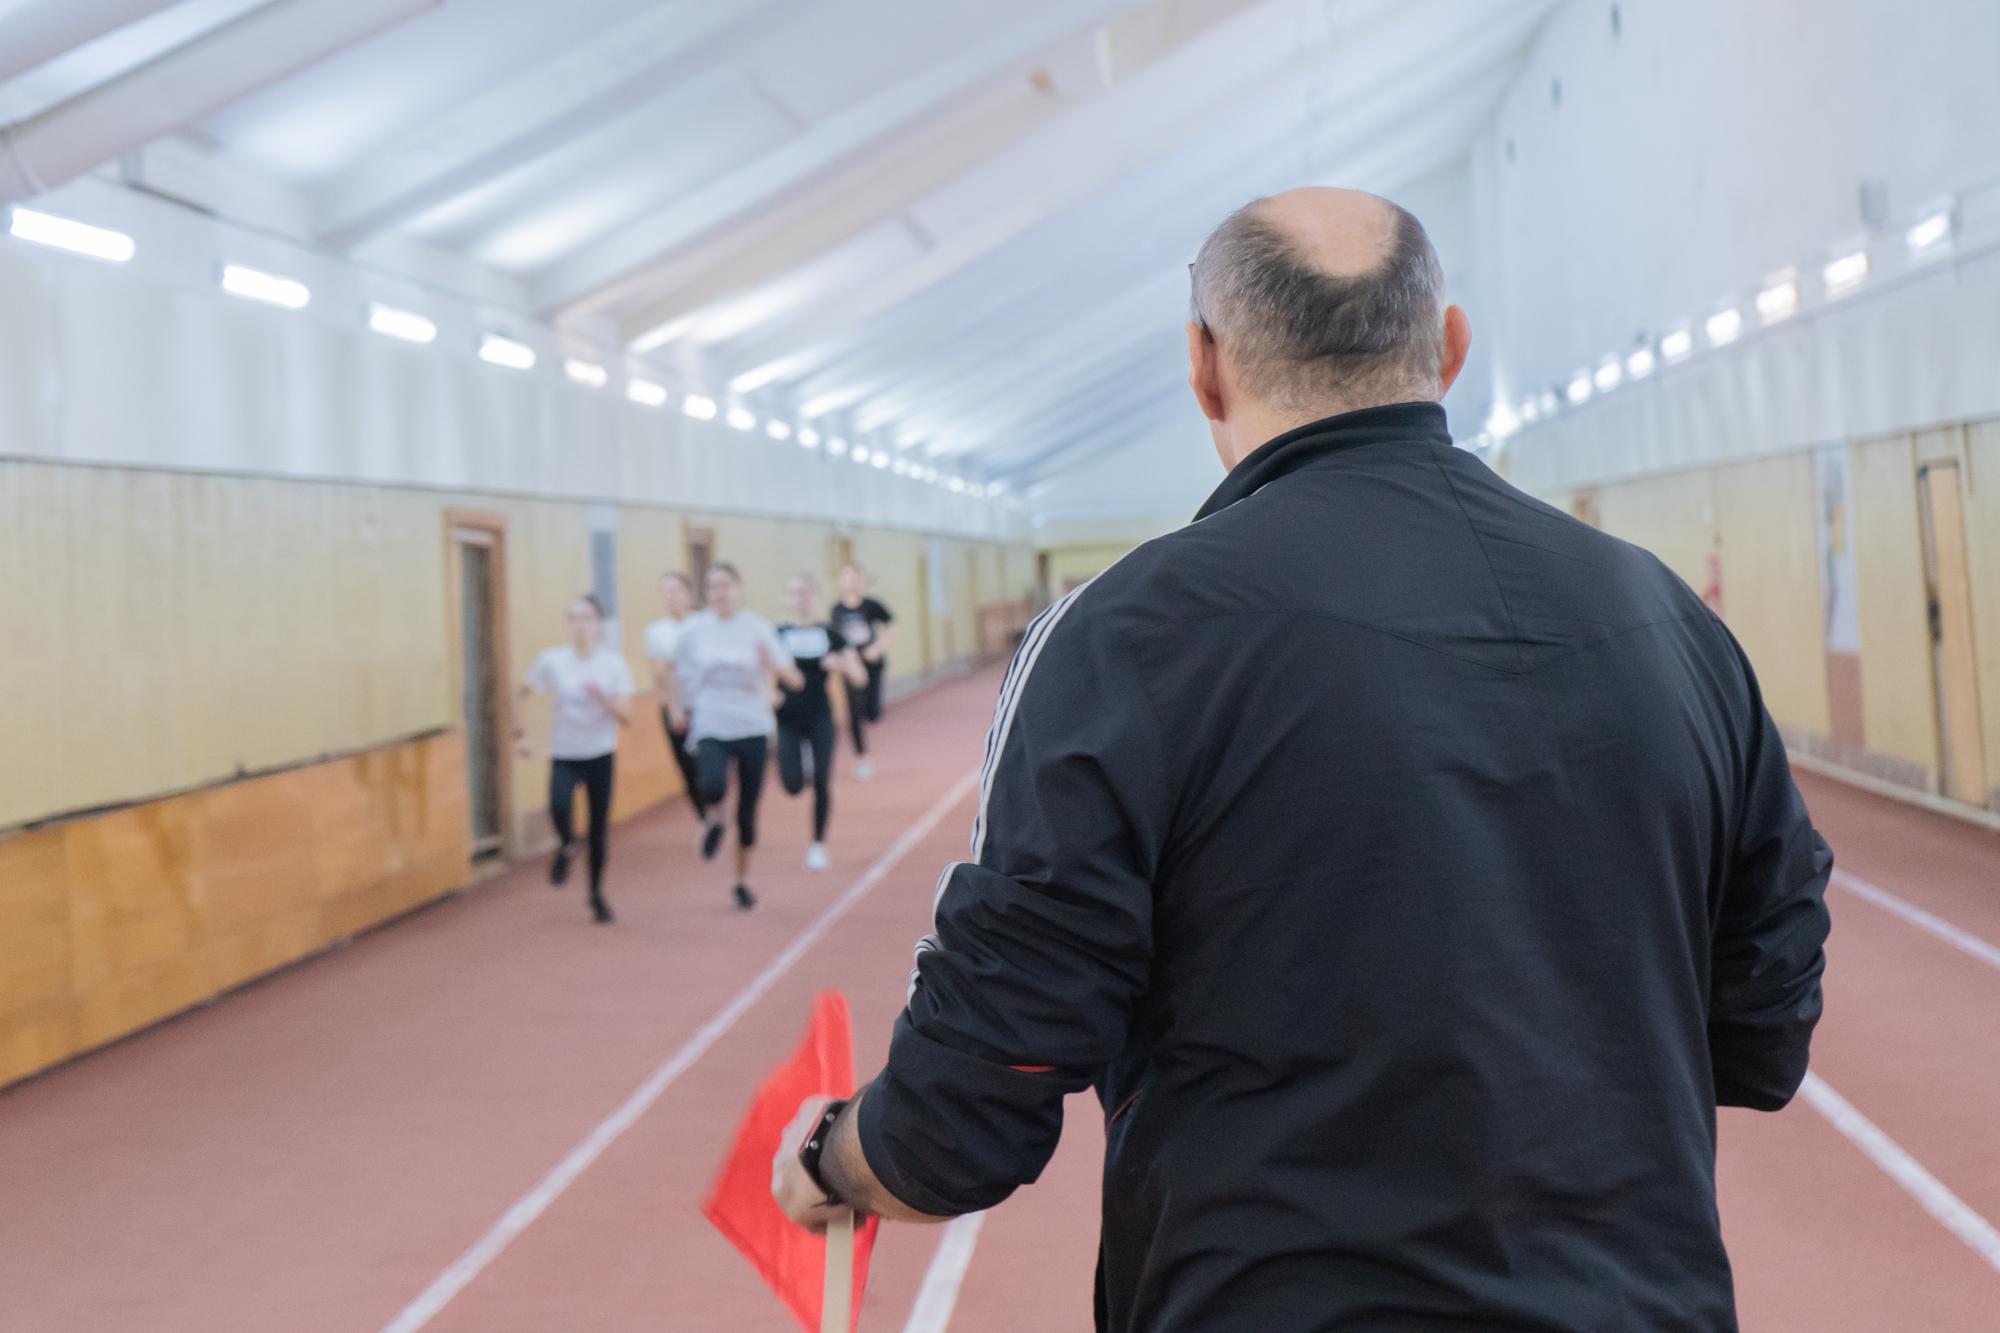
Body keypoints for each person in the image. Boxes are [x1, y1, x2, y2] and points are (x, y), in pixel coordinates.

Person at [774, 188, 1832, 1332]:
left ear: (1202, 367)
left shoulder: (1123, 636)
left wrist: (837, 1153)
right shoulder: (1668, 622)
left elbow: (975, 1095)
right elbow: (1762, 1030)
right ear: (1450, 348)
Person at [663, 563, 801, 911]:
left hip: (752, 725)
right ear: (706, 593)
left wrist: (773, 667)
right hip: (711, 721)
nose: (720, 593)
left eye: (725, 585)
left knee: (747, 812)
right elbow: (670, 671)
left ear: (738, 589)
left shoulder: (757, 627)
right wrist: (675, 708)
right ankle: (713, 818)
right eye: (713, 587)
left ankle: (741, 880)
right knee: (711, 784)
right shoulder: (695, 630)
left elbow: (793, 678)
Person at [515, 594, 633, 924]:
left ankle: (596, 894)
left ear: (598, 625)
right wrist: (519, 735)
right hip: (565, 754)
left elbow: (627, 717)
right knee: (558, 806)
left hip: (600, 755)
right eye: (574, 619)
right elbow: (521, 693)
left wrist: (605, 699)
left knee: (598, 830)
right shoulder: (552, 661)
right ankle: (567, 844)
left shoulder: (613, 664)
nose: (580, 625)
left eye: (587, 618)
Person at [774, 572, 869, 871]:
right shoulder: (778, 634)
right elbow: (760, 669)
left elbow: (860, 677)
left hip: (820, 717)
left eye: (806, 592)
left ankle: (818, 844)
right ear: (787, 598)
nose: (800, 598)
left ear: (815, 597)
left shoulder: (831, 636)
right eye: (795, 592)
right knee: (792, 785)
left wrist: (841, 664)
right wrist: (768, 695)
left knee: (822, 781)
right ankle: (801, 768)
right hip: (787, 720)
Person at [643, 571, 707, 830]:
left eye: (676, 590)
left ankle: (716, 807)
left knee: (709, 764)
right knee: (687, 767)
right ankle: (705, 820)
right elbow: (659, 675)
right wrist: (672, 709)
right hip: (675, 707)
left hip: (706, 706)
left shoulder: (704, 624)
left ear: (688, 594)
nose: (671, 597)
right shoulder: (656, 632)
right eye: (666, 591)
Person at [829, 563, 894, 779]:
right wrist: (840, 660)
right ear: (840, 582)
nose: (851, 582)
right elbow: (834, 639)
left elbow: (892, 625)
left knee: (873, 714)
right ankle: (862, 758)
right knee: (854, 713)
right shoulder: (837, 610)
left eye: (854, 577)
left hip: (872, 665)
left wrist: (878, 647)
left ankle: (871, 713)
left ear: (861, 581)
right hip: (851, 667)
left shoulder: (871, 605)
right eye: (846, 577)